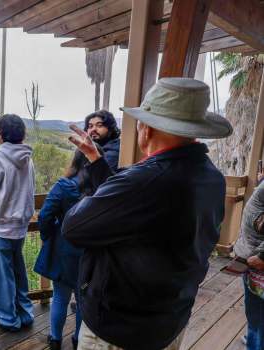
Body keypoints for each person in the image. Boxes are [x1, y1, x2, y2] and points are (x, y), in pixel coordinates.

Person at [63, 78, 232, 349]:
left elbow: (73, 227)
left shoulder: (146, 180)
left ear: (147, 129)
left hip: (121, 329)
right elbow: (132, 207)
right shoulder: (209, 176)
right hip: (167, 318)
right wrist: (97, 162)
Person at [34, 145, 103, 350]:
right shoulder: (105, 187)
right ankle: (77, 341)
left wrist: (49, 237)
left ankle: (55, 340)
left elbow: (45, 215)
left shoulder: (64, 185)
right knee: (83, 301)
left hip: (64, 249)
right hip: (92, 252)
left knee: (60, 297)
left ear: (76, 160)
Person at [0, 114, 35, 331]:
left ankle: (7, 318)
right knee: (18, 270)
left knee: (3, 275)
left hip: (1, 226)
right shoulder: (27, 158)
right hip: (20, 226)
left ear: (1, 135)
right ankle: (25, 313)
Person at [234, 178, 264, 349]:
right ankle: (254, 339)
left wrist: (262, 256)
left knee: (258, 315)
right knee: (254, 313)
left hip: (258, 264)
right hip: (252, 257)